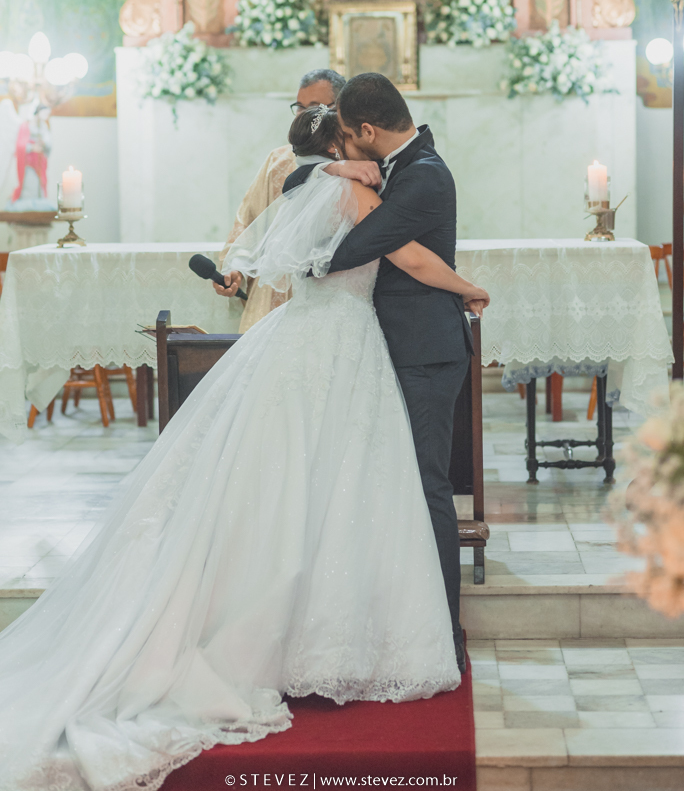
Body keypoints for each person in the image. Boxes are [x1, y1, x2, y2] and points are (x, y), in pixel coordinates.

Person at [0, 105, 489, 791]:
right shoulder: (356, 188)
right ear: (347, 141)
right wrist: (471, 287)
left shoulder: (304, 183)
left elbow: (287, 249)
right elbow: (404, 254)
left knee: (287, 479)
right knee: (344, 481)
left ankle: (276, 629)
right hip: (345, 342)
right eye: (351, 139)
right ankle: (326, 638)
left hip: (300, 335)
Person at [281, 73, 480, 674]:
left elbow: (376, 246)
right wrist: (333, 170)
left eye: (345, 137)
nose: (342, 145)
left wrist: (313, 265)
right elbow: (296, 177)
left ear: (366, 131)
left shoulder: (423, 176)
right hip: (384, 346)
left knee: (427, 486)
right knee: (380, 486)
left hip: (424, 352)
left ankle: (445, 628)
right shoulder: (383, 166)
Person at [215, 67, 346, 331]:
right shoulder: (278, 162)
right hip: (272, 295)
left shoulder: (356, 161)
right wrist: (236, 269)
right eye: (300, 107)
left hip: (330, 295)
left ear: (341, 109)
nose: (307, 116)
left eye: (317, 107)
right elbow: (247, 225)